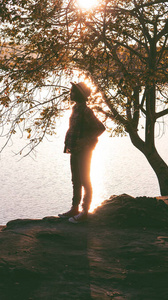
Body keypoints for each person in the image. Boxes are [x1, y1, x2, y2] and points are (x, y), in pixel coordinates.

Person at [58, 82, 105, 223]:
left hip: (84, 151)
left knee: (85, 180)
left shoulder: (86, 111)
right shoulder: (75, 109)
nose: (70, 94)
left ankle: (84, 212)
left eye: (72, 92)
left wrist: (85, 141)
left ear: (79, 95)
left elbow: (100, 128)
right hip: (74, 150)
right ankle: (74, 208)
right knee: (76, 180)